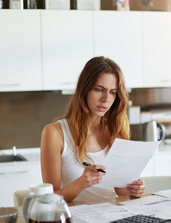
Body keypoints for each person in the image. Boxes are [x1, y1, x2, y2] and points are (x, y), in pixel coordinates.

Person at [40, 56, 145, 202]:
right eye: (99, 90)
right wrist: (81, 183)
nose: (106, 99)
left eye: (113, 92)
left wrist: (132, 189)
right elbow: (49, 199)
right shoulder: (54, 133)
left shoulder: (115, 132)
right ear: (85, 90)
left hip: (110, 217)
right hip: (74, 221)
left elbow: (120, 190)